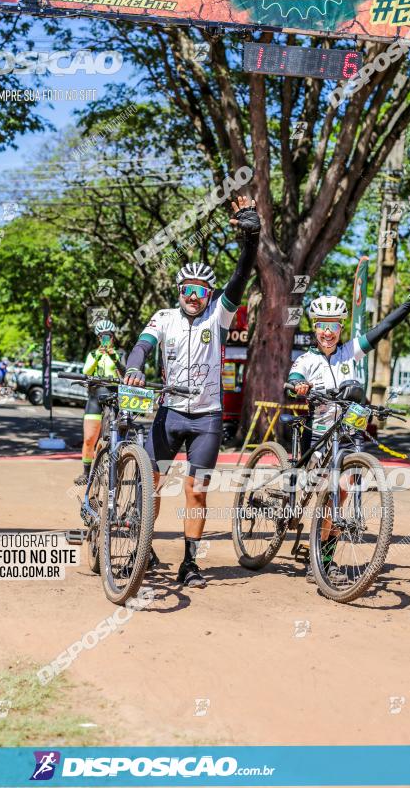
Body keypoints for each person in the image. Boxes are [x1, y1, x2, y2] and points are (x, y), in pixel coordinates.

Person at [123, 196, 261, 589]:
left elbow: (241, 275)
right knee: (150, 483)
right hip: (168, 415)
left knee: (196, 491)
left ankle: (189, 563)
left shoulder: (219, 315)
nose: (194, 296)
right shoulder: (164, 317)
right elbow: (142, 345)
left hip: (206, 419)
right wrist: (134, 366)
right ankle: (142, 545)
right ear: (179, 289)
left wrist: (251, 237)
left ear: (209, 294)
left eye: (201, 290)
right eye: (188, 288)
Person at [286, 269, 410, 579]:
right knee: (328, 495)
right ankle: (316, 554)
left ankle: (321, 561)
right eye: (323, 326)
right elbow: (294, 378)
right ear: (315, 328)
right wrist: (298, 386)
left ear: (341, 327)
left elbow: (386, 325)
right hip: (321, 436)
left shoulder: (352, 351)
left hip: (348, 436)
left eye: (334, 326)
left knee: (341, 495)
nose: (328, 332)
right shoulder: (306, 360)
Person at [74, 319, 126, 486]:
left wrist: (113, 357)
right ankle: (86, 472)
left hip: (115, 396)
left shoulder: (120, 353)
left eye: (109, 336)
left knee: (115, 438)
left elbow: (125, 374)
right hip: (96, 396)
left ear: (113, 337)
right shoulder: (92, 354)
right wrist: (98, 355)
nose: (106, 339)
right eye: (103, 336)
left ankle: (113, 471)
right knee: (89, 438)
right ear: (98, 338)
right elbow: (86, 371)